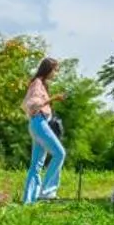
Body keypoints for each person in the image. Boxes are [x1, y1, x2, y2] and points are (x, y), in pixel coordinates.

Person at [22, 57, 68, 204]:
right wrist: (54, 98)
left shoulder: (40, 84)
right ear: (48, 69)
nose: (55, 73)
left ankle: (29, 199)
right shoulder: (37, 83)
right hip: (39, 122)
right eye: (55, 70)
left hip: (38, 123)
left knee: (36, 164)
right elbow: (33, 104)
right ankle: (47, 192)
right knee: (60, 153)